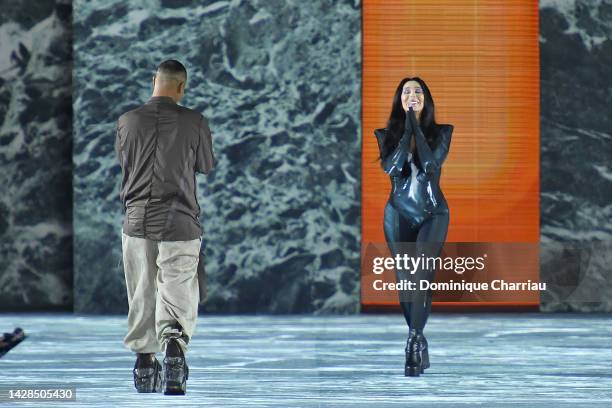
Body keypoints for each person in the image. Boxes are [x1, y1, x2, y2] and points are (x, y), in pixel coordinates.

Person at [115, 59, 216, 394]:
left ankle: (144, 365)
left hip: (136, 220)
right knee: (177, 287)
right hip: (180, 221)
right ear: (182, 87)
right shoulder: (194, 121)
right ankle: (173, 350)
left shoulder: (127, 121)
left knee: (141, 290)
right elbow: (205, 165)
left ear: (153, 80)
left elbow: (125, 165)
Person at [374, 77, 453, 376]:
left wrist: (416, 126)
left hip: (433, 213)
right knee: (407, 281)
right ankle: (418, 340)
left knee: (422, 277)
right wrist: (406, 127)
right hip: (398, 214)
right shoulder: (385, 135)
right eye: (407, 91)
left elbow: (431, 164)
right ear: (399, 99)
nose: (412, 95)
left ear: (426, 99)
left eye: (418, 91)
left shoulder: (442, 132)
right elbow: (392, 167)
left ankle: (412, 342)